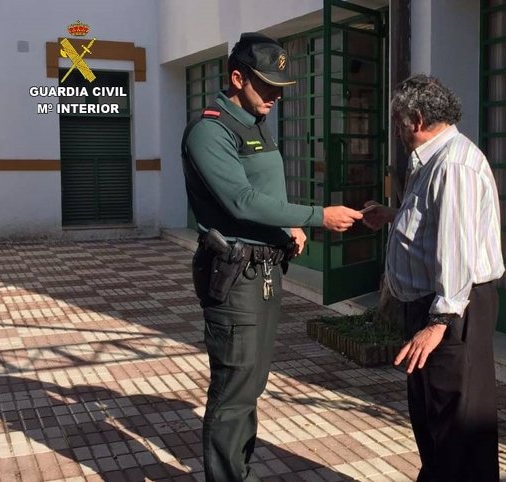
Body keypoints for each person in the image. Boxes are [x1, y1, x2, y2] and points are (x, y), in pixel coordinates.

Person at [181, 32, 362, 482]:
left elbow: (262, 194)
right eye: (266, 86)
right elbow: (241, 201)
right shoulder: (210, 130)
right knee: (234, 390)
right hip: (234, 275)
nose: (275, 97)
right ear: (236, 77)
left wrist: (287, 228)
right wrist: (317, 215)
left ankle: (239, 471)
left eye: (280, 89)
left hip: (262, 272)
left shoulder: (253, 120)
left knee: (252, 384)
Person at [363, 74, 505, 482]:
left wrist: (440, 321)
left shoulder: (454, 164)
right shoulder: (431, 159)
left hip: (451, 308)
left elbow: (457, 249)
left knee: (454, 421)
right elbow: (437, 223)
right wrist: (392, 216)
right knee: (433, 418)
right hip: (435, 304)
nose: (397, 130)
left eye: (398, 122)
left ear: (418, 118)